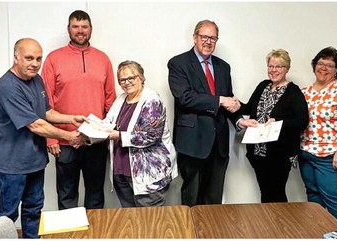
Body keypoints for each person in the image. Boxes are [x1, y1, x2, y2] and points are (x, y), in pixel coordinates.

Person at [0, 38, 86, 238]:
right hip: (12, 166)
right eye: (28, 58)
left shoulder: (37, 80)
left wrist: (72, 119)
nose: (35, 63)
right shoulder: (7, 86)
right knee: (6, 218)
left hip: (35, 162)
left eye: (38, 59)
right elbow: (35, 124)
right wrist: (69, 136)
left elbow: (46, 112)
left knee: (33, 211)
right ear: (16, 57)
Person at [41, 10, 116, 210]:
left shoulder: (103, 59)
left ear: (90, 29)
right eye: (75, 26)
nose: (80, 31)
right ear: (68, 29)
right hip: (65, 140)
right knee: (66, 196)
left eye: (84, 26)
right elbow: (45, 102)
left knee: (95, 195)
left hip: (96, 141)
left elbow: (111, 101)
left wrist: (110, 135)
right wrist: (51, 138)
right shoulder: (53, 59)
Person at [167, 20, 245, 207]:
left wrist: (240, 120)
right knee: (192, 197)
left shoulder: (223, 67)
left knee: (214, 198)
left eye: (213, 38)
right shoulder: (178, 63)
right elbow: (185, 98)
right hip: (192, 142)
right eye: (204, 37)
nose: (208, 42)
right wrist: (220, 100)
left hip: (218, 143)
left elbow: (228, 100)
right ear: (195, 38)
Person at [237, 49, 309, 203]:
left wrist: (279, 123)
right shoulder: (263, 85)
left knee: (276, 193)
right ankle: (269, 224)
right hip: (257, 152)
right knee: (265, 191)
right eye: (271, 66)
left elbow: (302, 121)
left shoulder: (293, 92)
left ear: (287, 68)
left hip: (280, 154)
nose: (274, 70)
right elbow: (250, 109)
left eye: (279, 67)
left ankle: (282, 226)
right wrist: (236, 104)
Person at [104, 60, 178, 207]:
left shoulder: (152, 101)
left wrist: (118, 135)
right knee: (132, 222)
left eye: (131, 78)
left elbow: (150, 136)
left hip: (148, 175)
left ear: (141, 78)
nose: (127, 82)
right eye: (122, 80)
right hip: (122, 172)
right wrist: (90, 129)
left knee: (150, 223)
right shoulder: (121, 99)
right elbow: (107, 123)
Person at [299, 47, 337, 221]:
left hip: (331, 154)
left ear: (336, 70)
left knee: (332, 196)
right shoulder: (304, 92)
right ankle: (318, 231)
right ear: (314, 65)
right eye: (320, 63)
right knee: (313, 195)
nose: (323, 68)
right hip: (306, 152)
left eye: (329, 65)